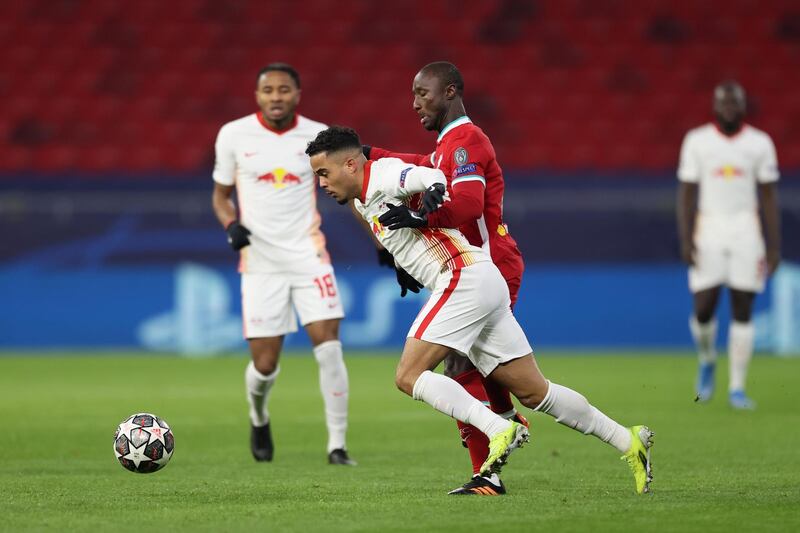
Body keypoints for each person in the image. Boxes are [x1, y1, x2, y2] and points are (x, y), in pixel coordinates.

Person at [306, 125, 655, 494]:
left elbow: (427, 175)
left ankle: (500, 428)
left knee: (408, 376)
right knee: (536, 392)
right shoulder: (363, 197)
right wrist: (402, 263)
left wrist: (436, 189)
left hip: (462, 277)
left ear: (350, 164)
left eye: (324, 173)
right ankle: (627, 439)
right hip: (483, 280)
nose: (321, 184)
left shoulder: (386, 174)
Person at [364, 61, 526, 495]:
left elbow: (470, 205)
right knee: (492, 370)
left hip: (490, 265)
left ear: (450, 92)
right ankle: (507, 418)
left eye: (423, 93)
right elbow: (417, 162)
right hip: (475, 267)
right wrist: (369, 155)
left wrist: (417, 217)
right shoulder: (444, 148)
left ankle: (491, 466)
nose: (415, 102)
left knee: (458, 365)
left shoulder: (464, 142)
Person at [211, 63, 355, 465]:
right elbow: (221, 196)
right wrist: (231, 225)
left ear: (298, 93)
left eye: (284, 90)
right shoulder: (234, 135)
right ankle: (259, 416)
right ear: (257, 95)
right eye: (268, 90)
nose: (276, 97)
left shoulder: (318, 135)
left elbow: (348, 188)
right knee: (265, 364)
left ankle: (337, 446)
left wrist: (379, 240)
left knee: (328, 347)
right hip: (260, 262)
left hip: (309, 254)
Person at [677, 81, 781, 410]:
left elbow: (767, 196)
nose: (729, 108)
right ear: (715, 106)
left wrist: (774, 246)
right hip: (709, 230)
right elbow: (686, 194)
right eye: (724, 102)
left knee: (743, 307)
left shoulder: (759, 143)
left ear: (743, 106)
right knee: (704, 307)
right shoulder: (698, 141)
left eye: (734, 102)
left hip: (746, 231)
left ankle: (737, 387)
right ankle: (708, 359)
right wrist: (686, 237)